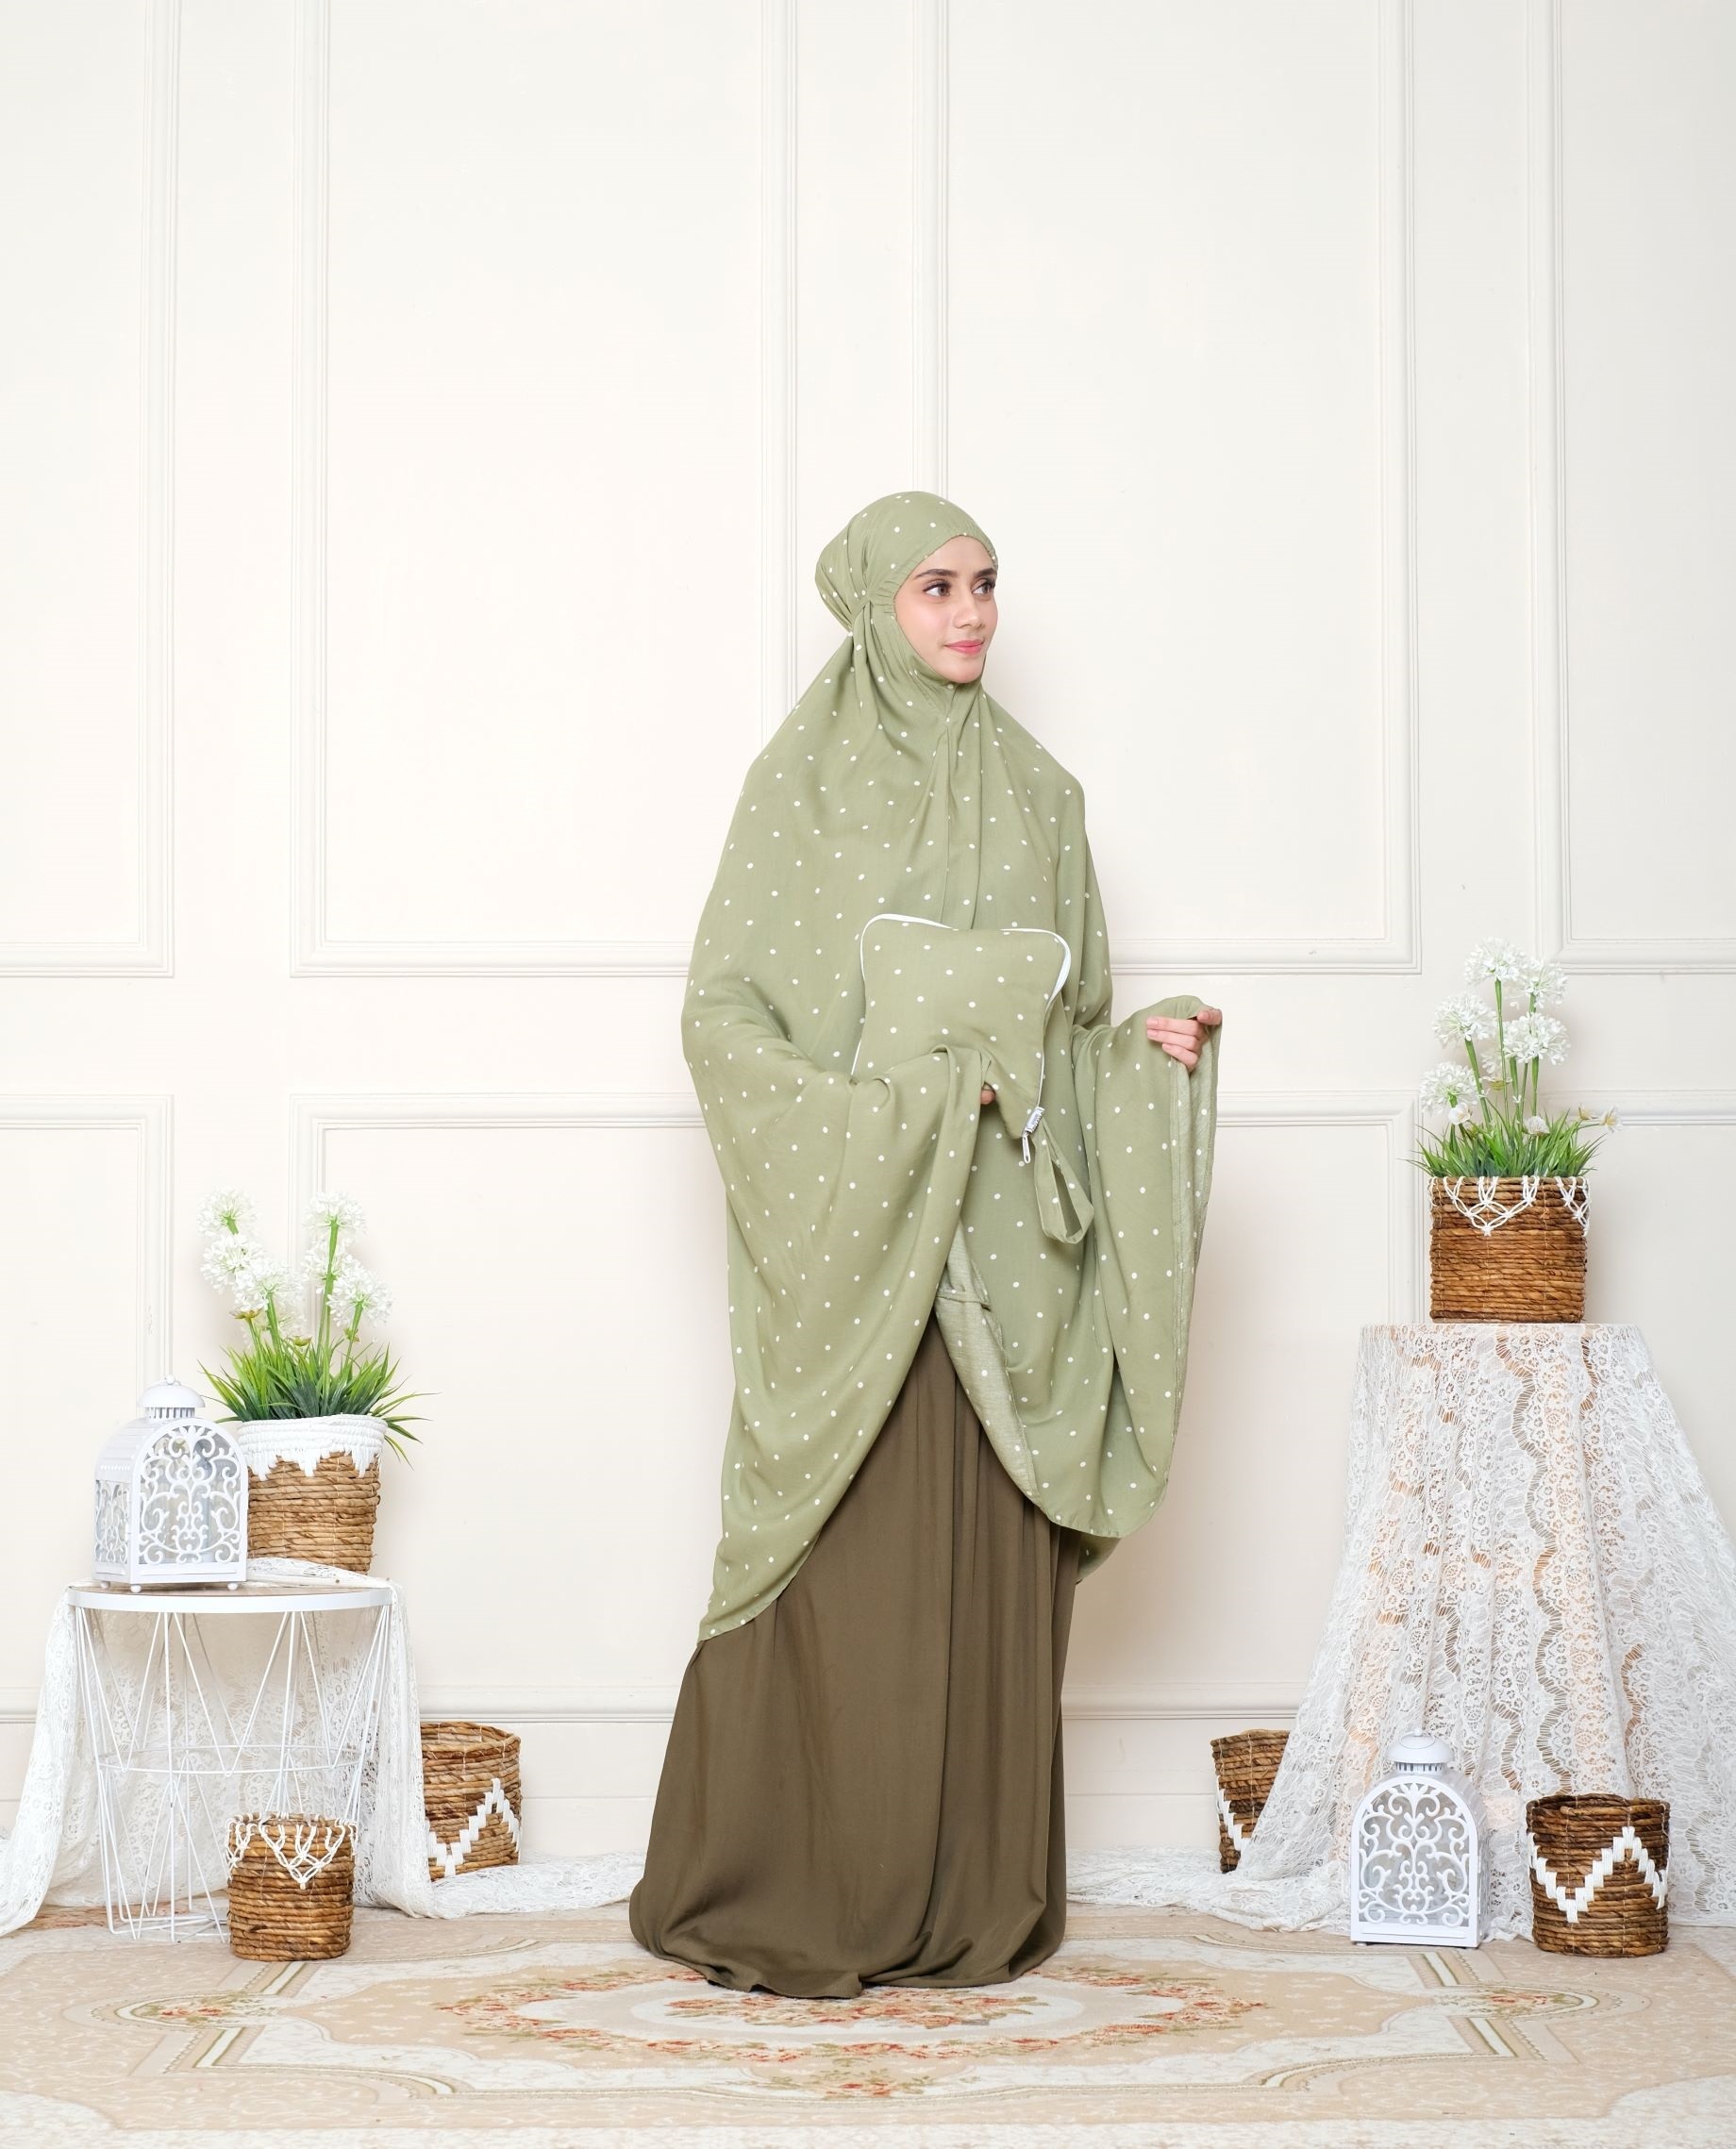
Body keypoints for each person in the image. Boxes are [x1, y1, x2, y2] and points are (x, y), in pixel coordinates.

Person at [627, 491, 1223, 1996]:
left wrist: (1136, 1054)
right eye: (936, 586)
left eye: (985, 583)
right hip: (863, 1251)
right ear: (872, 604)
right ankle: (802, 1887)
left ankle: (972, 1895)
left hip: (1008, 1257)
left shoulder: (1043, 795)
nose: (970, 612)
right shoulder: (799, 790)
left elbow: (1067, 1031)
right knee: (849, 1570)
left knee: (980, 1568)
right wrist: (905, 1113)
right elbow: (723, 1022)